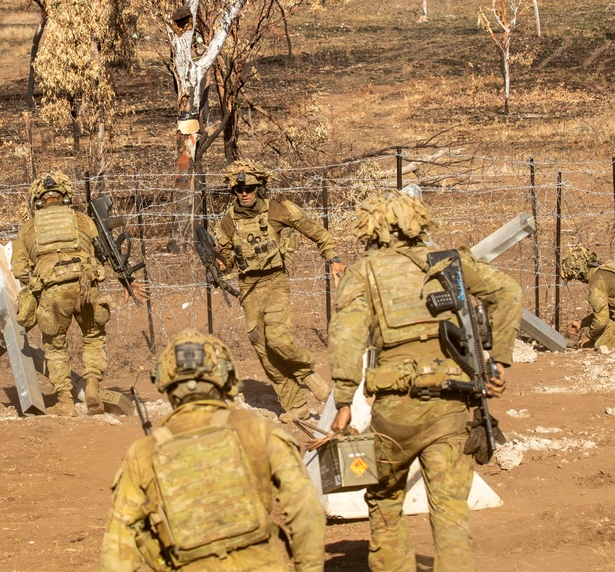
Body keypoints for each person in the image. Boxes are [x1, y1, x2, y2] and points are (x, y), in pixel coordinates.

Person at [328, 191, 521, 572]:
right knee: (450, 509)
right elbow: (508, 293)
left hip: (395, 412)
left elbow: (347, 335)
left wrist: (344, 400)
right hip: (452, 406)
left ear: (373, 227)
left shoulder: (364, 272)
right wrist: (499, 362)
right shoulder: (449, 263)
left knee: (384, 501)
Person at [99, 329, 325, 572]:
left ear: (164, 383)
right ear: (226, 378)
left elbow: (117, 553)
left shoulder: (143, 453)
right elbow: (306, 508)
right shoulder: (258, 432)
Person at [212, 159, 344, 422]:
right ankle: (296, 405)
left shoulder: (277, 210)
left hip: (275, 281)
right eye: (239, 190)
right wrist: (218, 263)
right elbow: (226, 260)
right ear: (233, 193)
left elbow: (318, 232)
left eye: (249, 188)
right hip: (249, 286)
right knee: (262, 346)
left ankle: (308, 374)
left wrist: (333, 258)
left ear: (259, 187)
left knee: (279, 339)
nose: (245, 193)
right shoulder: (228, 221)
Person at [10, 171, 112, 417]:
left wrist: (37, 279)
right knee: (93, 337)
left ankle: (65, 402)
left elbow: (19, 268)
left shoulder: (28, 228)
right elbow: (100, 251)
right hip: (86, 286)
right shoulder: (83, 220)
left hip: (53, 291)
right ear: (66, 196)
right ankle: (93, 387)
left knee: (55, 346)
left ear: (38, 199)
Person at [561, 246, 615, 349]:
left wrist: (589, 336)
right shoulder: (607, 269)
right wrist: (582, 323)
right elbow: (606, 311)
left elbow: (601, 320)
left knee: (602, 346)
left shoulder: (597, 283)